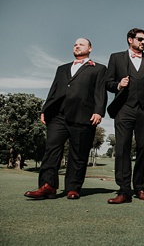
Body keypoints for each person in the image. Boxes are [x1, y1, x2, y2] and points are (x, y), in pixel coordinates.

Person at [24, 37, 106, 200]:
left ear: (90, 49)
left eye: (81, 44)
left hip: (84, 116)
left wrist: (99, 111)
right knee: (51, 150)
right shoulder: (62, 68)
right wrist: (45, 109)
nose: (77, 46)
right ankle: (47, 186)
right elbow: (53, 89)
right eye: (75, 44)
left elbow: (100, 91)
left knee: (79, 153)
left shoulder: (99, 68)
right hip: (58, 115)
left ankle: (73, 188)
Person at [106, 28, 144, 203]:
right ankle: (124, 190)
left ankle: (140, 187)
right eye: (140, 39)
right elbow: (108, 82)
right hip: (124, 108)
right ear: (130, 40)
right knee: (122, 148)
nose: (143, 42)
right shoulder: (116, 58)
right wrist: (119, 85)